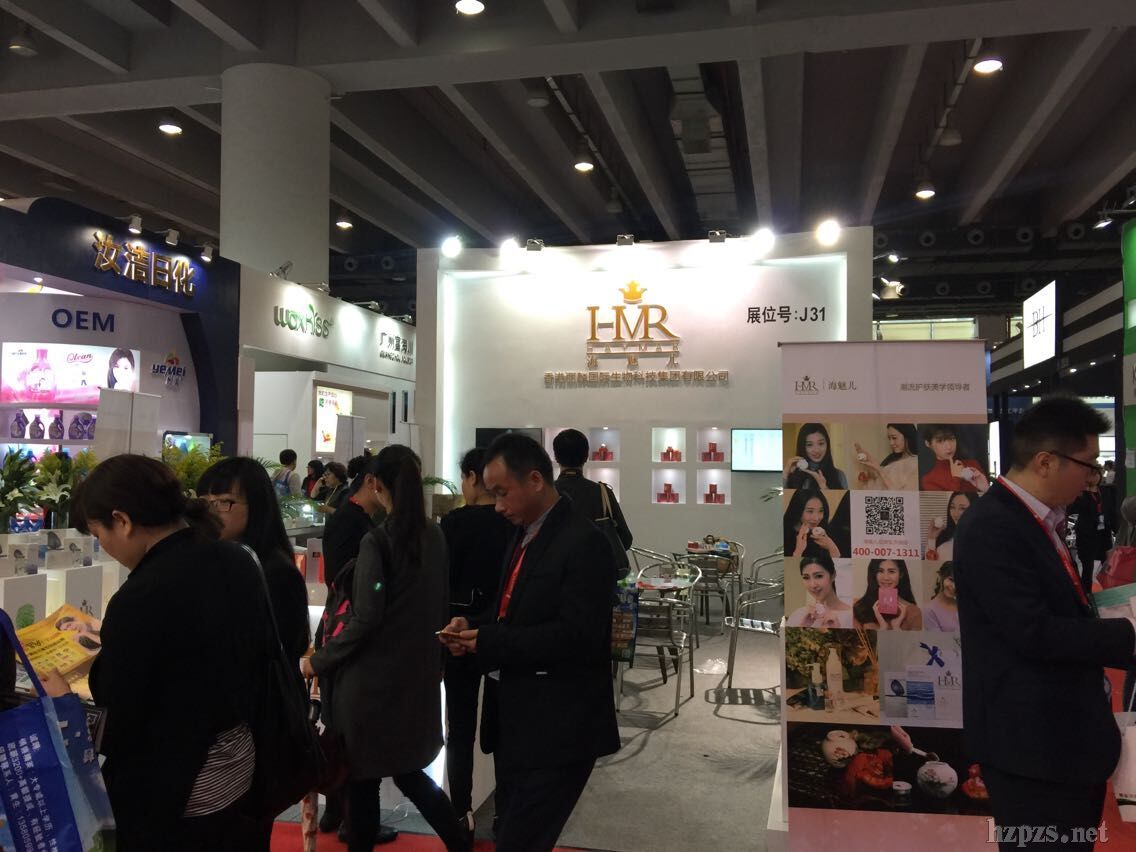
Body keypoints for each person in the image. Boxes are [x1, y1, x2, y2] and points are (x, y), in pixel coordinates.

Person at [955, 395, 1136, 850]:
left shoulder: (1039, 519)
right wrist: (1130, 633)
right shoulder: (994, 526)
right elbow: (1032, 631)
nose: (1093, 478)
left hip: (1062, 741)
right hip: (1032, 750)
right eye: (1088, 465)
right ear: (1045, 461)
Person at [66, 454, 272, 851]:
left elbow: (120, 727)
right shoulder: (237, 558)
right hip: (239, 767)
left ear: (122, 521)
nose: (103, 546)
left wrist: (65, 701)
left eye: (97, 533)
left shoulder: (142, 596)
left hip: (178, 792)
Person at [439, 433, 620, 852]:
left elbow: (577, 637)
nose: (497, 505)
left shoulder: (583, 542)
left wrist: (489, 641)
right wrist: (473, 625)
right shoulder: (523, 534)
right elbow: (514, 613)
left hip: (559, 727)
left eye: (502, 493)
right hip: (516, 723)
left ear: (535, 480)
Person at [303, 447, 467, 852]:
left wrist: (318, 661)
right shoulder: (435, 535)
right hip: (415, 678)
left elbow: (365, 619)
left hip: (371, 684)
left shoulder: (377, 541)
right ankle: (458, 841)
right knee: (409, 773)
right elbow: (440, 605)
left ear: (375, 483)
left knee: (363, 780)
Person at [312, 455, 396, 843]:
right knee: (351, 733)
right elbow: (350, 585)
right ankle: (353, 820)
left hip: (339, 629)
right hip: (346, 632)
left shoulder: (352, 518)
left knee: (340, 729)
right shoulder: (357, 524)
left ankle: (336, 812)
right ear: (372, 482)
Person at [439, 447, 513, 841]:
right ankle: (504, 813)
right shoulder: (510, 522)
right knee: (503, 727)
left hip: (458, 632)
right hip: (501, 633)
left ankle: (460, 813)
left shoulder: (453, 523)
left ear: (471, 477)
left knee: (460, 728)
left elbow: (440, 579)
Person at [198, 457, 310, 663]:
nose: (211, 512)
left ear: (257, 505)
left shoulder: (275, 571)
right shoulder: (219, 561)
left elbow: (283, 647)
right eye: (206, 502)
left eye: (224, 502)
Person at [551, 428, 633, 554]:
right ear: (586, 456)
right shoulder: (602, 493)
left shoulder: (546, 493)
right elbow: (625, 540)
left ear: (556, 457)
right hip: (597, 565)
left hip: (556, 564)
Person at [852, 559, 922, 630]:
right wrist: (883, 627)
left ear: (901, 574)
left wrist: (896, 627)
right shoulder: (859, 607)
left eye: (891, 571)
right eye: (880, 571)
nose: (886, 578)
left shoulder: (914, 612)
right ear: (874, 574)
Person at [1071, 467, 1112, 586]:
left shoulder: (1105, 490)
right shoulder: (1081, 493)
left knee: (1108, 563)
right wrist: (1083, 491)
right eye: (1092, 475)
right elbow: (1073, 509)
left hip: (1103, 532)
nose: (1095, 477)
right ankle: (1087, 592)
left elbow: (1110, 510)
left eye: (1096, 474)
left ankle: (1108, 587)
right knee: (1087, 566)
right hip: (1086, 534)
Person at [786, 554, 852, 628]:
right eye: (806, 578)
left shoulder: (851, 616)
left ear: (833, 575)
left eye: (819, 576)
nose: (813, 585)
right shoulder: (798, 615)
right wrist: (803, 627)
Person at [920, 424, 989, 494]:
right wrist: (956, 478)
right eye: (940, 441)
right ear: (928, 444)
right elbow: (950, 501)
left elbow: (988, 497)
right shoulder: (929, 480)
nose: (949, 447)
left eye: (952, 439)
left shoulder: (973, 465)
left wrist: (986, 489)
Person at [783, 423, 847, 491]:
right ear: (802, 447)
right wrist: (785, 473)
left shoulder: (839, 475)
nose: (816, 450)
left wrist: (824, 487)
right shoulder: (792, 474)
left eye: (821, 443)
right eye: (809, 445)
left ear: (827, 444)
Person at [853, 423, 918, 491]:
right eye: (889, 438)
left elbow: (902, 496)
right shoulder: (892, 459)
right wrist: (869, 472)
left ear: (907, 436)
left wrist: (879, 469)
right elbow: (880, 483)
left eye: (894, 438)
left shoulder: (916, 464)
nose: (891, 443)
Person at [783, 488, 843, 558]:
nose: (816, 518)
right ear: (797, 510)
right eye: (810, 511)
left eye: (821, 511)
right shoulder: (784, 535)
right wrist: (798, 551)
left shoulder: (826, 533)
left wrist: (832, 548)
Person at [925, 491, 972, 561]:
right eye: (952, 507)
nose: (955, 514)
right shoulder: (942, 537)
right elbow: (928, 565)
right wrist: (931, 539)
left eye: (962, 508)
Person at [922, 561, 958, 632]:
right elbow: (937, 639)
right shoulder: (929, 610)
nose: (954, 587)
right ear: (940, 577)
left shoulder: (965, 606)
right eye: (951, 580)